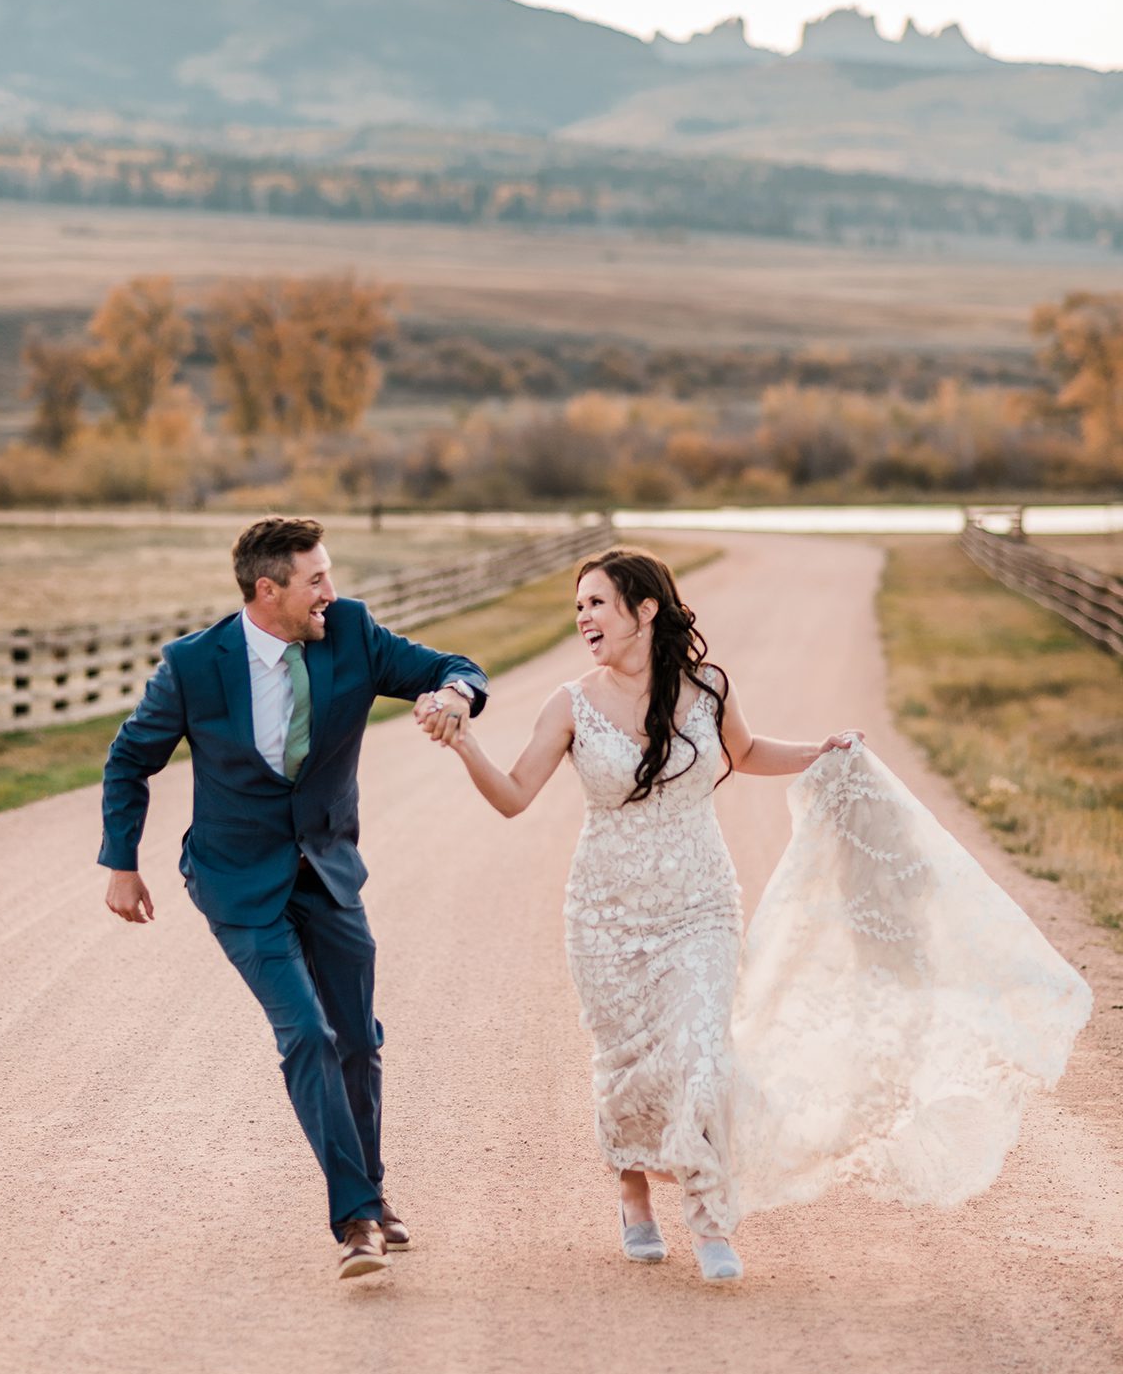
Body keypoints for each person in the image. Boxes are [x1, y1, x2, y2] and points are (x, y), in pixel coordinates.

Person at [433, 546, 1091, 1284]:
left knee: (703, 1055)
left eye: (596, 602)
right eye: (578, 605)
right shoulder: (569, 704)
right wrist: (466, 745)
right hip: (605, 914)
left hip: (701, 906)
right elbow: (515, 794)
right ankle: (632, 1192)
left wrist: (821, 751)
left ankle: (711, 1218)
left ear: (645, 608)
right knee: (626, 1065)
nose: (583, 616)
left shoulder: (708, 687)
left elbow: (743, 752)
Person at [100, 517, 488, 1280]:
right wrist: (122, 862)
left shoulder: (349, 631)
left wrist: (451, 692)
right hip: (238, 883)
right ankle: (355, 1219)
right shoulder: (193, 665)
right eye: (316, 579)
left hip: (330, 872)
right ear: (267, 589)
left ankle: (372, 1192)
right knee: (306, 1033)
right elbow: (128, 759)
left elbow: (455, 663)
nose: (332, 593)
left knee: (357, 1039)